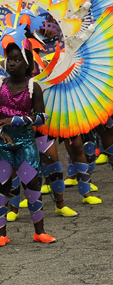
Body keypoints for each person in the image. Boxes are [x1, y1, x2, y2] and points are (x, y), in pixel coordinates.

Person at [0, 42, 56, 245]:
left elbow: (41, 117)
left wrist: (15, 121)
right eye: (10, 59)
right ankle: (1, 234)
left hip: (26, 143)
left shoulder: (34, 87)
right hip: (3, 143)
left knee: (32, 186)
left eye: (17, 60)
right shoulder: (0, 85)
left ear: (27, 65)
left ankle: (39, 232)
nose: (12, 63)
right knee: (2, 187)